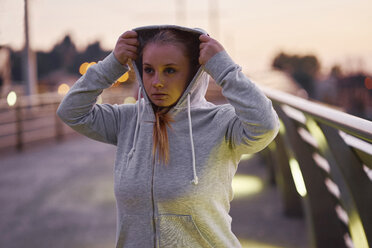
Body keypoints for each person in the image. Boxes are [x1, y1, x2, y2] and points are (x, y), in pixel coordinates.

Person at [57, 25, 279, 248]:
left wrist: (224, 68)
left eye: (170, 70)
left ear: (193, 73)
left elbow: (266, 125)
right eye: (149, 70)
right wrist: (113, 64)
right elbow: (71, 111)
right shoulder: (128, 120)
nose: (157, 82)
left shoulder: (220, 122)